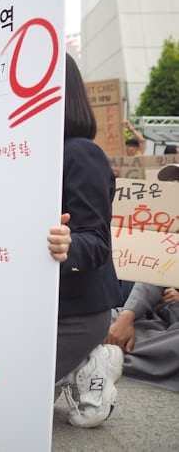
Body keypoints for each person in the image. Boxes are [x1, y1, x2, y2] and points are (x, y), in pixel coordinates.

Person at [46, 53, 124, 428]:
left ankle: (89, 363)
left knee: (7, 397)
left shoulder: (80, 153)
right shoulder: (22, 158)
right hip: (33, 306)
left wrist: (69, 244)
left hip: (74, 312)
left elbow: (96, 240)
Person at [102, 162, 179, 393]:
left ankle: (105, 354)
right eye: (176, 182)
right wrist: (127, 315)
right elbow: (155, 270)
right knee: (100, 320)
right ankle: (107, 350)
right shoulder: (168, 224)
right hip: (161, 315)